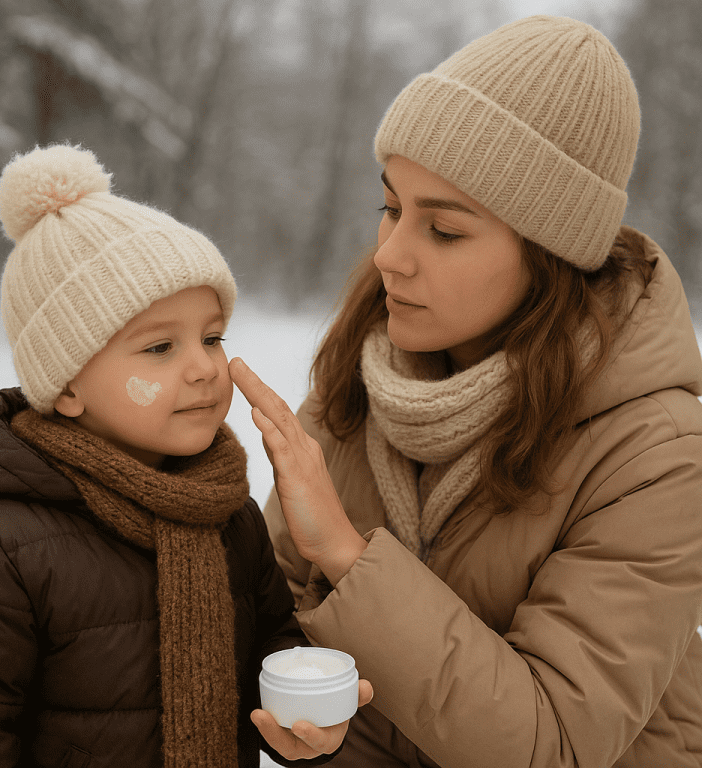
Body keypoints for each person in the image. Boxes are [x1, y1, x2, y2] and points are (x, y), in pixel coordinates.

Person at [229, 14, 702, 768]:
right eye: (390, 208)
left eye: (443, 230)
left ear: (547, 255)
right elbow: (274, 617)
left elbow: (553, 743)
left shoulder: (658, 454)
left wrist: (352, 563)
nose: (389, 255)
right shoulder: (362, 380)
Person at [0, 144, 371, 768]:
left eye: (212, 337)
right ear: (67, 386)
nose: (203, 368)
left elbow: (267, 654)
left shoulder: (230, 517)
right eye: (160, 347)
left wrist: (305, 717)